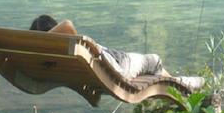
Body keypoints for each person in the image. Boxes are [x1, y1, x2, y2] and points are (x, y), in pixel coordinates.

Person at [29, 14, 203, 89]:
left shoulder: (51, 58)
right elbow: (67, 24)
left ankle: (176, 85)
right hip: (121, 65)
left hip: (114, 63)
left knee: (154, 69)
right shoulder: (70, 45)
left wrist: (37, 44)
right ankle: (181, 85)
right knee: (154, 60)